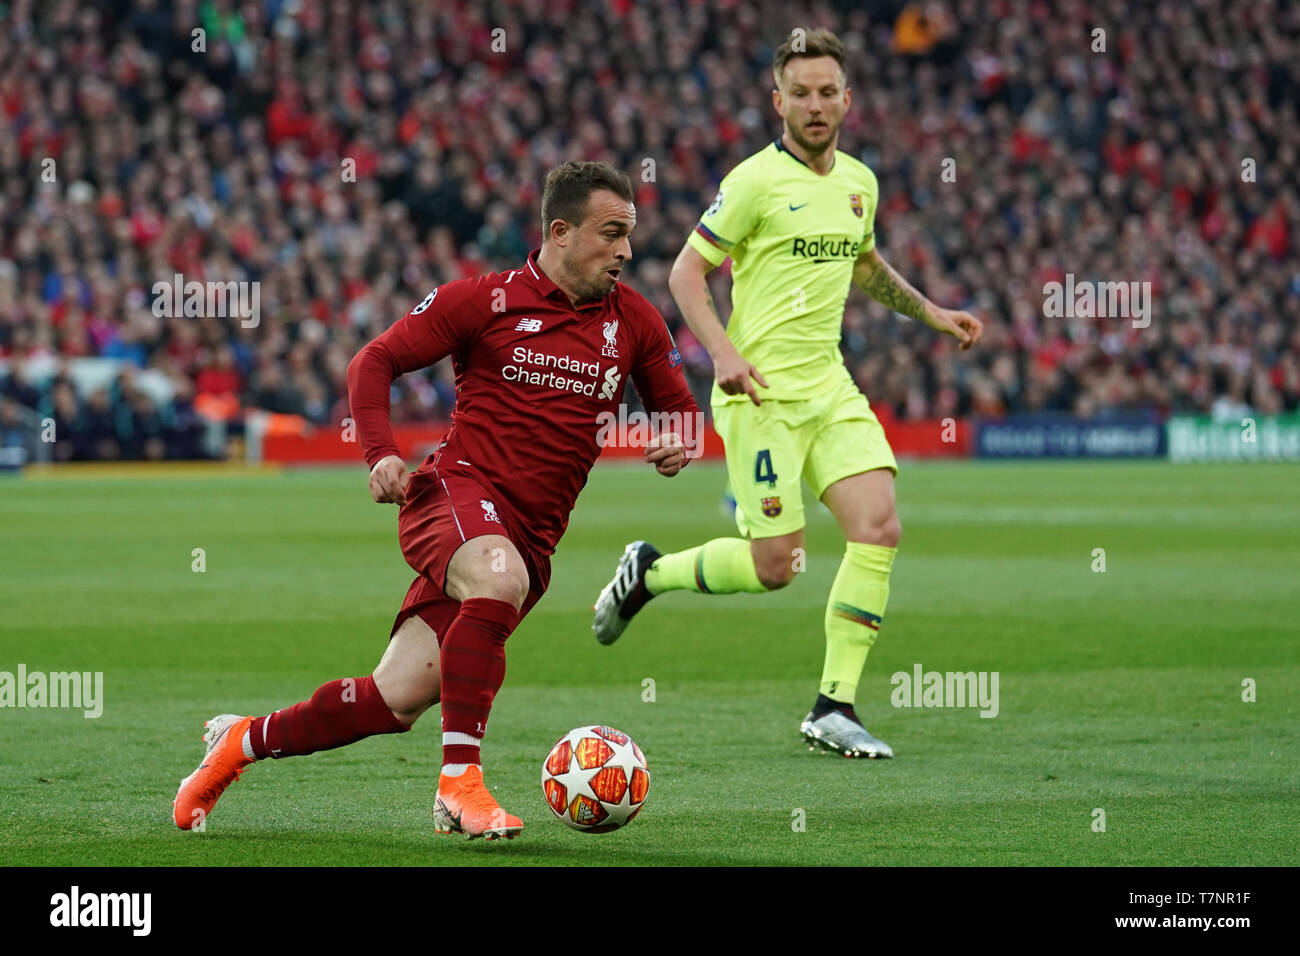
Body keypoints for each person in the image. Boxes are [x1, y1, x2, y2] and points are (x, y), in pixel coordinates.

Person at [173, 161, 698, 839]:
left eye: (630, 233)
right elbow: (374, 361)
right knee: (496, 575)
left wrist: (673, 442)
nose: (626, 250)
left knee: (393, 699)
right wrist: (380, 453)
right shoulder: (485, 300)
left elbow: (680, 415)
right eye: (612, 232)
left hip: (531, 539)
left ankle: (241, 742)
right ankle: (459, 787)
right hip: (453, 494)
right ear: (561, 232)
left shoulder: (636, 322)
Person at [592, 29, 983, 759]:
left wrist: (933, 312)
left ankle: (834, 706)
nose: (814, 104)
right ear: (777, 101)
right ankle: (650, 572)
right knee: (776, 567)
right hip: (761, 394)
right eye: (799, 93)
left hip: (830, 388)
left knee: (880, 528)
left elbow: (865, 267)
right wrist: (726, 353)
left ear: (847, 99)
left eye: (826, 91)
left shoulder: (860, 184)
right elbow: (684, 274)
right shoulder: (752, 183)